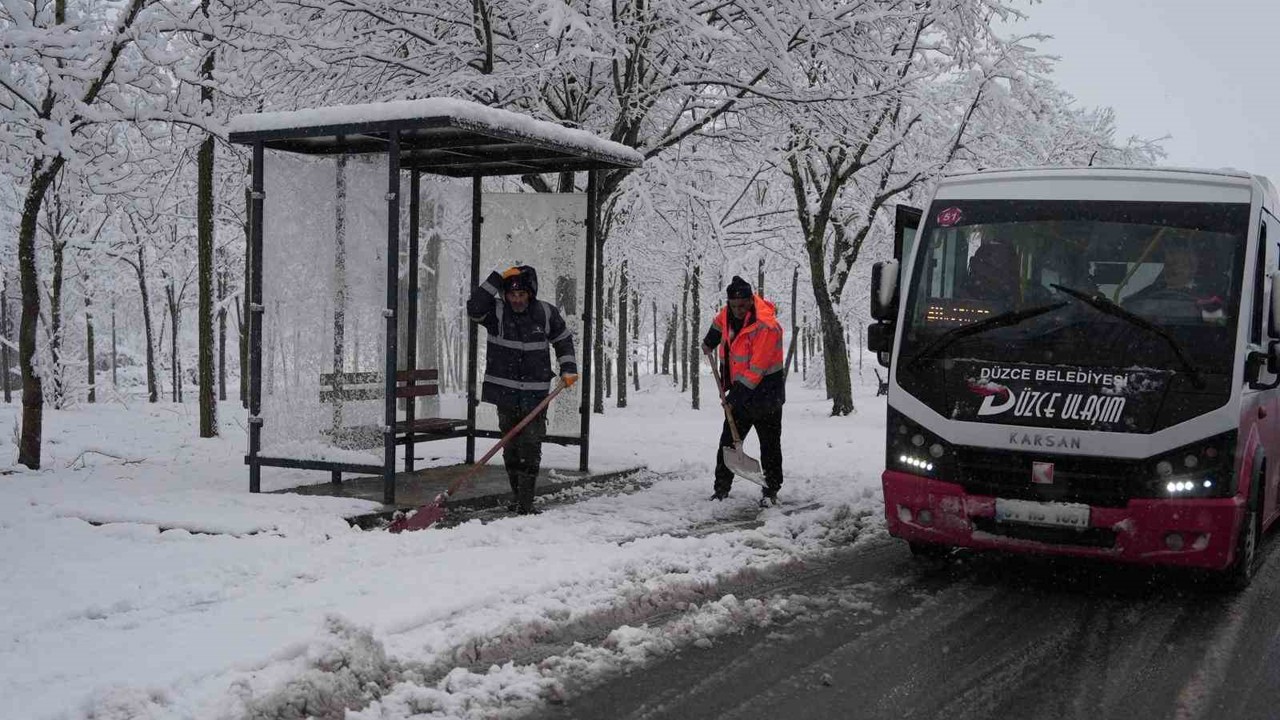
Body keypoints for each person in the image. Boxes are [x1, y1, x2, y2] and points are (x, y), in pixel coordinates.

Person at [467, 265, 578, 514]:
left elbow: (562, 340)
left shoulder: (545, 313)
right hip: (504, 393)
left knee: (530, 445)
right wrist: (496, 278)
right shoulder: (496, 313)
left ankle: (525, 504)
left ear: (530, 293)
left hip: (536, 394)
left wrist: (568, 368)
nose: (516, 300)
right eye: (512, 295)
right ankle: (519, 498)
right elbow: (474, 307)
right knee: (511, 446)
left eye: (521, 295)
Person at [702, 276, 786, 505]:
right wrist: (711, 339)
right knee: (727, 444)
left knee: (769, 445)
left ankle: (771, 491)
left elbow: (756, 369)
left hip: (767, 395)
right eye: (734, 305)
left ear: (751, 301)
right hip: (742, 392)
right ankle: (721, 490)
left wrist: (733, 398)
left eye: (743, 305)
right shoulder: (728, 313)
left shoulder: (766, 326)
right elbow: (720, 322)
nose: (738, 310)